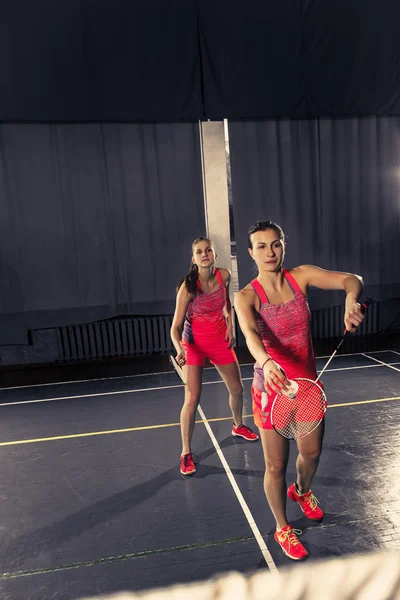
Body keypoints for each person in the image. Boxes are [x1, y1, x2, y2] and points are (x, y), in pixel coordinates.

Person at [234, 220, 365, 561]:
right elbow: (250, 335)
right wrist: (265, 361)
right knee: (275, 465)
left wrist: (351, 299)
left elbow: (352, 280)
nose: (269, 251)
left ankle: (302, 491)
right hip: (272, 390)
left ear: (283, 246)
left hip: (307, 387)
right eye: (261, 246)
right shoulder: (245, 296)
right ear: (251, 253)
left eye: (274, 244)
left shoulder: (301, 276)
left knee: (312, 453)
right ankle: (282, 526)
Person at [170, 237, 259, 476]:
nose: (205, 254)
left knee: (238, 390)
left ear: (214, 254)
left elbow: (227, 304)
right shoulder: (188, 288)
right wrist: (180, 349)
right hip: (194, 345)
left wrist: (230, 326)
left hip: (220, 341)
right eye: (199, 251)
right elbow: (175, 328)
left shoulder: (224, 276)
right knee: (192, 399)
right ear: (194, 259)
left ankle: (238, 426)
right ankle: (186, 452)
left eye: (208, 250)